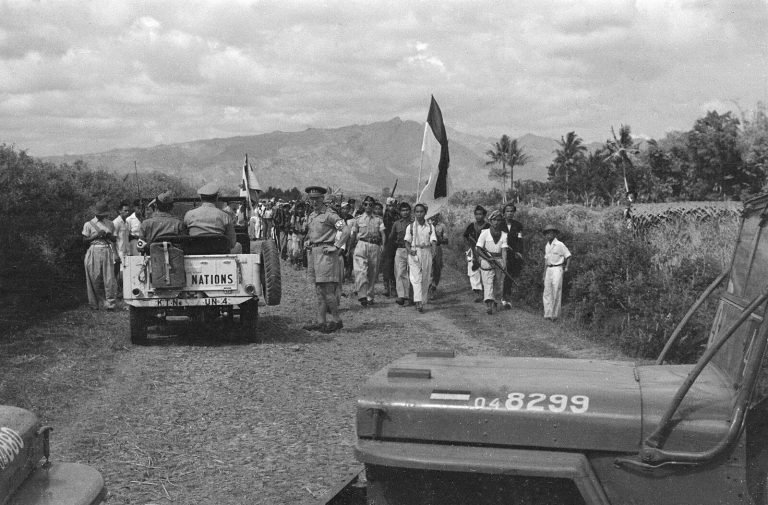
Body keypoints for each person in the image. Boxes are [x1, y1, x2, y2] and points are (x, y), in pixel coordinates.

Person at [302, 186, 349, 333]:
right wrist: (309, 241)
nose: (314, 202)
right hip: (314, 253)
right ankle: (321, 321)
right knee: (318, 290)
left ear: (323, 199)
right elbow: (313, 233)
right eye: (311, 199)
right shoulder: (312, 215)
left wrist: (336, 246)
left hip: (326, 255)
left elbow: (346, 230)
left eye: (317, 199)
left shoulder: (330, 215)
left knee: (327, 290)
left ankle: (336, 320)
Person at [82, 201, 119, 310]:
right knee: (94, 278)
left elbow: (114, 239)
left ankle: (110, 304)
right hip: (94, 250)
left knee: (109, 279)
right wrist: (96, 236)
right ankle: (94, 303)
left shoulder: (110, 223)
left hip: (107, 249)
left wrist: (108, 236)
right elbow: (84, 240)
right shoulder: (88, 224)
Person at [352, 196, 386, 306]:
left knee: (373, 272)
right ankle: (362, 295)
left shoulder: (378, 219)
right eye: (366, 204)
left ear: (373, 206)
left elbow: (383, 233)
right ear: (363, 205)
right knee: (360, 271)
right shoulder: (358, 219)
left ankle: (369, 296)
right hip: (361, 244)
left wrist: (383, 245)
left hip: (374, 245)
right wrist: (351, 246)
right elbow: (353, 234)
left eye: (370, 204)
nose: (368, 206)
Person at [183, 183, 236, 250]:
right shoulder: (225, 216)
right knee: (238, 246)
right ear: (217, 197)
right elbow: (232, 242)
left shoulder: (189, 215)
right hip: (219, 252)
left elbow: (184, 236)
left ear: (200, 197)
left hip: (195, 251)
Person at [404, 203, 437, 313]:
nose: (419, 214)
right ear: (414, 213)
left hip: (426, 252)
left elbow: (433, 240)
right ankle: (418, 302)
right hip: (415, 252)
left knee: (426, 277)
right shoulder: (411, 227)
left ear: (425, 213)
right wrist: (410, 251)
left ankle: (422, 299)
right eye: (417, 212)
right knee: (415, 278)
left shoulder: (430, 226)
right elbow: (406, 242)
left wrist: (433, 251)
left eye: (421, 211)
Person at [476, 210, 509, 315]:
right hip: (487, 260)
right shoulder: (484, 233)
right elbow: (478, 248)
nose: (496, 222)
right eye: (494, 220)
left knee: (498, 283)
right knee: (488, 283)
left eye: (499, 220)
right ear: (490, 221)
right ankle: (488, 305)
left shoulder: (504, 235)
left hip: (498, 260)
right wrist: (487, 258)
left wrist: (504, 264)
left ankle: (496, 302)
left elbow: (504, 251)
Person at [542, 224, 571, 321]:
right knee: (547, 292)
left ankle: (555, 315)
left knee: (556, 291)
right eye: (547, 233)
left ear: (554, 234)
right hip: (549, 269)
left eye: (551, 233)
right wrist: (544, 273)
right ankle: (547, 314)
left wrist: (566, 267)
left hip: (557, 269)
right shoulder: (547, 245)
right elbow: (546, 261)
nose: (548, 235)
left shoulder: (560, 244)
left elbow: (568, 256)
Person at [463, 205, 490, 303]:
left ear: (484, 215)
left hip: (484, 251)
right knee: (473, 272)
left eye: (480, 214)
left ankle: (487, 293)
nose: (478, 216)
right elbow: (466, 237)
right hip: (471, 250)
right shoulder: (471, 226)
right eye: (476, 214)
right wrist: (468, 249)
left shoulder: (488, 226)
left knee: (484, 270)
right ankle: (478, 293)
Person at [389, 202, 413, 306]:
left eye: (407, 210)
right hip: (400, 249)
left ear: (410, 211)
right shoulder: (396, 224)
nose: (405, 212)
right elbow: (391, 237)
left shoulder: (414, 223)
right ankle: (402, 296)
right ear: (400, 212)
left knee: (412, 273)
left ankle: (412, 296)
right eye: (403, 210)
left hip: (412, 250)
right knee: (399, 272)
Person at [501, 203, 524, 309]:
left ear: (514, 212)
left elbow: (520, 240)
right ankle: (500, 297)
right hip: (501, 254)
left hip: (513, 255)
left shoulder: (518, 225)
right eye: (507, 211)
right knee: (501, 276)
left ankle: (507, 297)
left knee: (510, 275)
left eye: (511, 211)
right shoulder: (499, 224)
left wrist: (519, 252)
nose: (509, 213)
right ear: (504, 213)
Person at [381, 197, 399, 297]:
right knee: (386, 265)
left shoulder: (398, 215)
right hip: (387, 242)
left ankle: (394, 286)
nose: (391, 207)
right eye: (389, 205)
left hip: (397, 243)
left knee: (395, 265)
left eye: (392, 205)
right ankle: (386, 286)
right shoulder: (384, 215)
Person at [113, 201, 131, 295]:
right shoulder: (116, 222)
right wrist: (115, 254)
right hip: (119, 253)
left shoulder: (126, 222)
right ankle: (118, 293)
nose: (127, 212)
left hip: (127, 252)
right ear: (120, 211)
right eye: (125, 210)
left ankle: (124, 293)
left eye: (128, 210)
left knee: (126, 274)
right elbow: (113, 240)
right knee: (119, 275)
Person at [429, 213, 448, 299]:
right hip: (427, 248)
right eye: (433, 215)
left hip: (437, 247)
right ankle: (429, 289)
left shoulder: (442, 226)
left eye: (436, 215)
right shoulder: (425, 225)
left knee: (437, 268)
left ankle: (434, 286)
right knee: (428, 268)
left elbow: (445, 240)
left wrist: (438, 237)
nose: (434, 217)